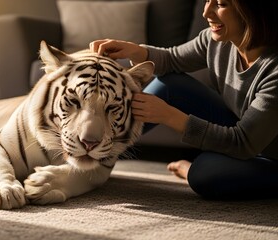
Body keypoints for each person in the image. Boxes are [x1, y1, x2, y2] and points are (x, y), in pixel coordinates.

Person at [90, 0, 278, 200]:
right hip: (245, 134)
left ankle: (194, 171)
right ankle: (95, 149)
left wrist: (169, 116)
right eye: (207, 1)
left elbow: (242, 143)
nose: (206, 13)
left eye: (220, 4)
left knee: (203, 173)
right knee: (170, 84)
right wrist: (135, 50)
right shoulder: (216, 41)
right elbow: (172, 60)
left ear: (252, 11)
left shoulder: (274, 71)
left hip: (269, 156)